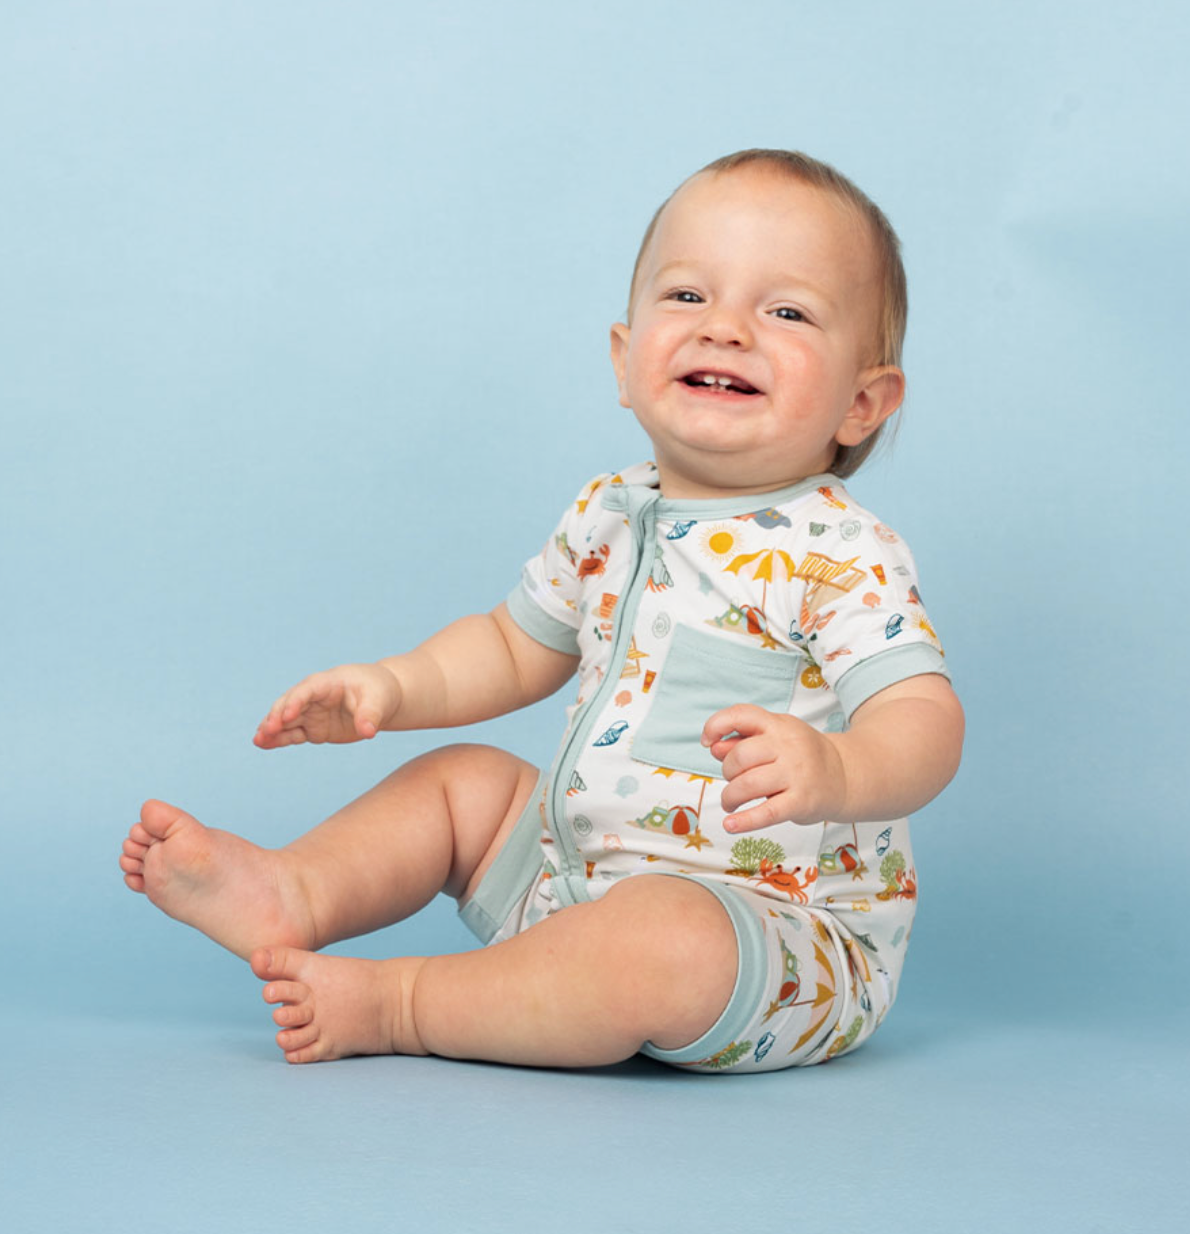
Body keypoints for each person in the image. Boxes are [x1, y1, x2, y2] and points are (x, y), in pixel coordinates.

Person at [119, 149, 964, 1073]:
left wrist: (837, 767)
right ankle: (294, 889)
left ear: (862, 403)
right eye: (687, 297)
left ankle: (404, 1004)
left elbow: (923, 721)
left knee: (659, 936)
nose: (724, 330)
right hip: (576, 882)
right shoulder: (607, 512)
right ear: (622, 358)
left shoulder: (837, 552)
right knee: (462, 782)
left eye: (786, 311)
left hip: (770, 942)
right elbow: (506, 648)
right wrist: (391, 689)